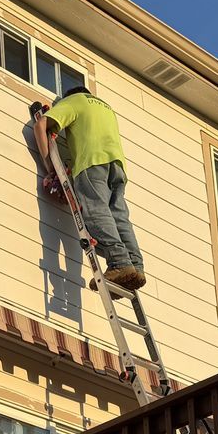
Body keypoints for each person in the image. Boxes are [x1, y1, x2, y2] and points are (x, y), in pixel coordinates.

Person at [31, 86, 146, 292]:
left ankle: (119, 262)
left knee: (96, 211)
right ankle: (135, 266)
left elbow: (41, 125)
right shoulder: (105, 108)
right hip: (117, 167)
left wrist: (51, 169)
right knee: (118, 217)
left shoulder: (75, 101)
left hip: (92, 163)